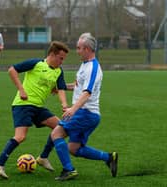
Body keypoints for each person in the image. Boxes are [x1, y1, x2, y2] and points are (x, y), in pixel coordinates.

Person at [0, 41, 70, 179]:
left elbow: (61, 88)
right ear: (52, 54)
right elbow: (12, 70)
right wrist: (21, 89)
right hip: (23, 105)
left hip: (38, 108)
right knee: (20, 136)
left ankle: (43, 158)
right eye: (61, 58)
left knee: (61, 129)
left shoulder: (58, 71)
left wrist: (64, 104)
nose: (62, 62)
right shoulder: (36, 63)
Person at [51, 33, 118, 181]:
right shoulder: (84, 65)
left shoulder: (93, 68)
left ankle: (69, 170)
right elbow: (78, 87)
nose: (77, 51)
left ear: (87, 49)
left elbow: (87, 93)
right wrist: (60, 88)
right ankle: (109, 157)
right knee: (73, 148)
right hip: (85, 113)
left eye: (79, 48)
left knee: (56, 134)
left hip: (85, 113)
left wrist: (72, 110)